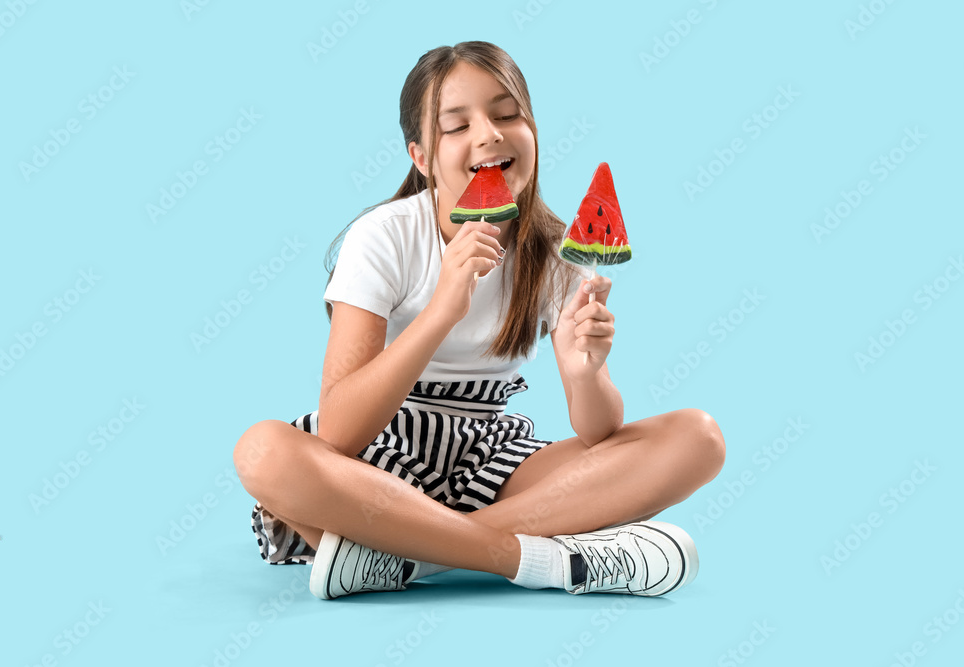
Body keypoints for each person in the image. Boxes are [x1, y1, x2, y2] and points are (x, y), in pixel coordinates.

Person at [233, 41, 725, 600]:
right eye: (456, 125)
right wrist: (443, 309)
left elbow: (598, 434)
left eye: (507, 113)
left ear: (532, 131)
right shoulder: (384, 236)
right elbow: (340, 433)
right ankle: (544, 560)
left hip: (489, 460)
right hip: (375, 463)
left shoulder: (554, 253)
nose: (488, 133)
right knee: (263, 451)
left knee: (696, 439)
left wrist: (585, 373)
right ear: (420, 158)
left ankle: (406, 560)